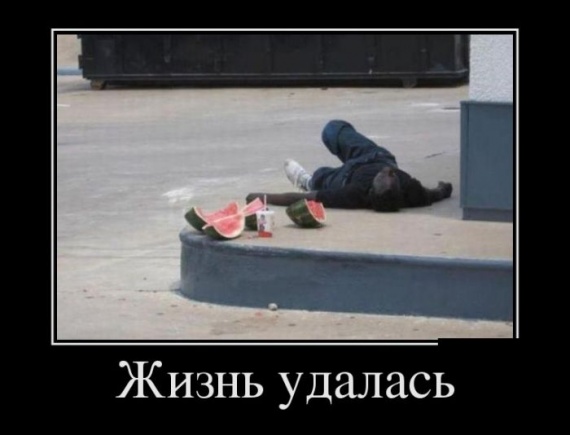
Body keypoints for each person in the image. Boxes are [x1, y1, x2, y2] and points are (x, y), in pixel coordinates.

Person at [246, 120, 453, 212]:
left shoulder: (353, 194)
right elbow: (436, 193)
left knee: (320, 177)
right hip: (375, 156)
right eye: (392, 174)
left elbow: (306, 199)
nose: (388, 172)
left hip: (346, 176)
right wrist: (445, 188)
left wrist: (263, 197)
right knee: (332, 129)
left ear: (371, 189)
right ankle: (318, 177)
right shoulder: (412, 191)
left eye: (385, 175)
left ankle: (308, 181)